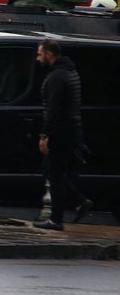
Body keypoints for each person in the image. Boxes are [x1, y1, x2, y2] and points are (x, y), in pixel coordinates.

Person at [33, 39, 92, 231]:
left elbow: (54, 109)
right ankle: (78, 201)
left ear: (50, 54)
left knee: (55, 173)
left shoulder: (57, 77)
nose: (38, 58)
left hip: (62, 131)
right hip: (72, 129)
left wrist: (45, 136)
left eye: (40, 54)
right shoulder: (70, 71)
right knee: (51, 169)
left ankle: (57, 219)